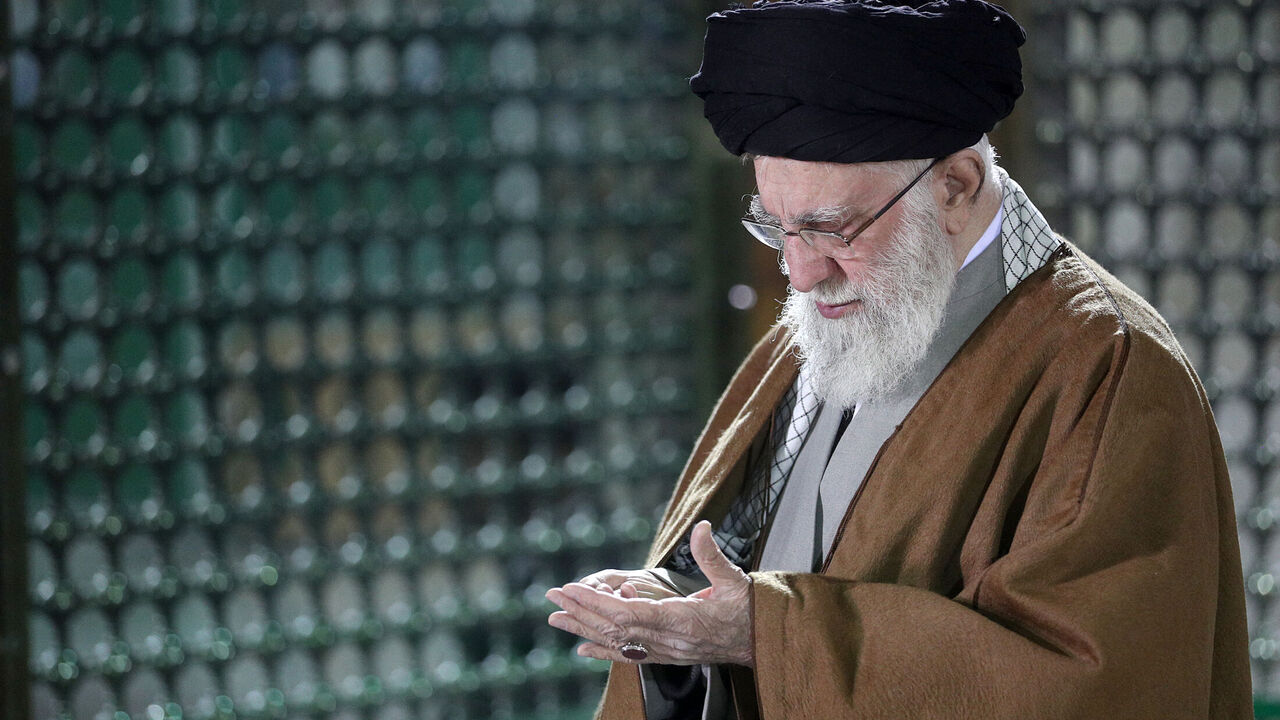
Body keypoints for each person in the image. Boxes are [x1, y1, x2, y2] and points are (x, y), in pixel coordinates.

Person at [545, 1, 1253, 718]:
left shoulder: (1109, 368)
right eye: (776, 227)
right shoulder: (816, 330)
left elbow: (1098, 685)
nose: (800, 273)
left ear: (956, 186)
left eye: (831, 229)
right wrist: (673, 613)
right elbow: (739, 564)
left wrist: (768, 632)